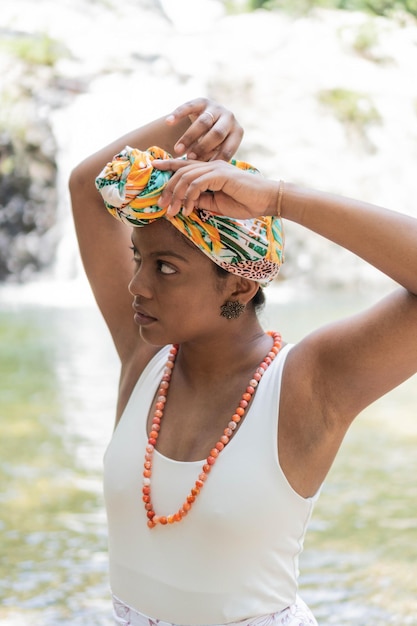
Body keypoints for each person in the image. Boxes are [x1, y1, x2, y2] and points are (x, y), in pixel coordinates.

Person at [69, 96, 417, 626]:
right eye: (139, 258)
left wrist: (278, 198)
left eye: (165, 268)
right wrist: (188, 130)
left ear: (237, 279)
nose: (136, 285)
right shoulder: (147, 357)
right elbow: (87, 188)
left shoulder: (306, 384)